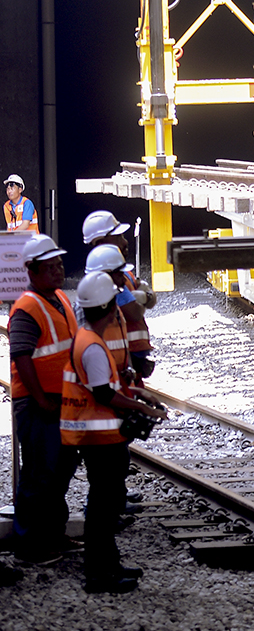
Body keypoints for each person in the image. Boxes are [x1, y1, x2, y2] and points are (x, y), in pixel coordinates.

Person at [61, 272, 167, 594]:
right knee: (103, 508)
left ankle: (110, 564)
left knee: (103, 506)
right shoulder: (92, 346)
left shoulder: (87, 338)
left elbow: (112, 385)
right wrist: (142, 409)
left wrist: (138, 392)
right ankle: (99, 574)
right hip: (100, 438)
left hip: (101, 436)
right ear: (108, 309)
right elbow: (104, 394)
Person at [7, 235, 78, 565]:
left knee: (61, 469)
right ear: (33, 271)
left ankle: (52, 532)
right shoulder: (27, 308)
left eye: (59, 264)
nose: (58, 271)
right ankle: (30, 544)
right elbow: (21, 356)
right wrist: (41, 399)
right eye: (50, 267)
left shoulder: (60, 299)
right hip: (39, 404)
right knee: (39, 474)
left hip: (61, 402)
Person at [83, 210, 157, 379]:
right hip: (121, 356)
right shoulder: (106, 277)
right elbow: (134, 312)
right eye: (118, 236)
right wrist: (143, 297)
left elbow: (146, 298)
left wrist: (144, 296)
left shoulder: (122, 273)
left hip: (128, 354)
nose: (124, 241)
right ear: (100, 242)